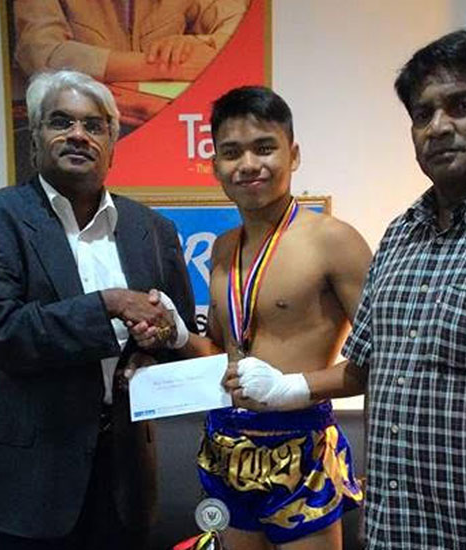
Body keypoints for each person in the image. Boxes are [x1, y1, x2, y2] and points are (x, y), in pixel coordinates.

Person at [231, 30, 466, 549]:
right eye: (422, 115)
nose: (439, 127)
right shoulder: (402, 235)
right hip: (394, 532)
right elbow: (364, 368)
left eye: (462, 105)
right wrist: (286, 388)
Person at [0, 69, 196, 550]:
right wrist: (106, 304)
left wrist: (157, 342)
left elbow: (177, 330)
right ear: (35, 138)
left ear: (113, 142)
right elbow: (0, 331)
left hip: (125, 474)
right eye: (60, 122)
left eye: (94, 125)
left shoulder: (151, 228)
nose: (78, 135)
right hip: (28, 486)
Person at [129, 86, 372, 549]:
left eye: (264, 148)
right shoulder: (223, 249)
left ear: (293, 154)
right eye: (231, 152)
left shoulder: (334, 241)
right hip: (228, 448)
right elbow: (224, 357)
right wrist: (178, 334)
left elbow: (384, 361)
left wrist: (292, 389)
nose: (248, 164)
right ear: (215, 163)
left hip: (300, 448)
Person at [13, 0, 250, 126]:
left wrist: (198, 43)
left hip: (166, 121)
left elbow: (242, 31)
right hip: (79, 125)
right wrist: (159, 66)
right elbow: (39, 53)